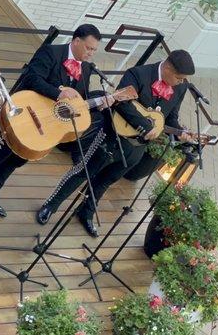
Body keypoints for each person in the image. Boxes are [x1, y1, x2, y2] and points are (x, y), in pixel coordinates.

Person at [0, 24, 107, 236]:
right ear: (77, 41)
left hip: (45, 126)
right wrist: (58, 93)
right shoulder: (51, 52)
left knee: (17, 159)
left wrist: (97, 103)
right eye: (89, 48)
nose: (90, 53)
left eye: (94, 50)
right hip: (25, 113)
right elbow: (32, 79)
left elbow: (77, 97)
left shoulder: (87, 69)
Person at [36, 49, 195, 236]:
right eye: (179, 77)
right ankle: (51, 205)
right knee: (83, 171)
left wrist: (180, 133)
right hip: (111, 136)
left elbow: (170, 118)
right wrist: (145, 124)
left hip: (136, 148)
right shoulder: (138, 74)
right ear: (168, 68)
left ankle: (85, 212)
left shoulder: (180, 88)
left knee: (106, 180)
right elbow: (121, 103)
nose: (181, 81)